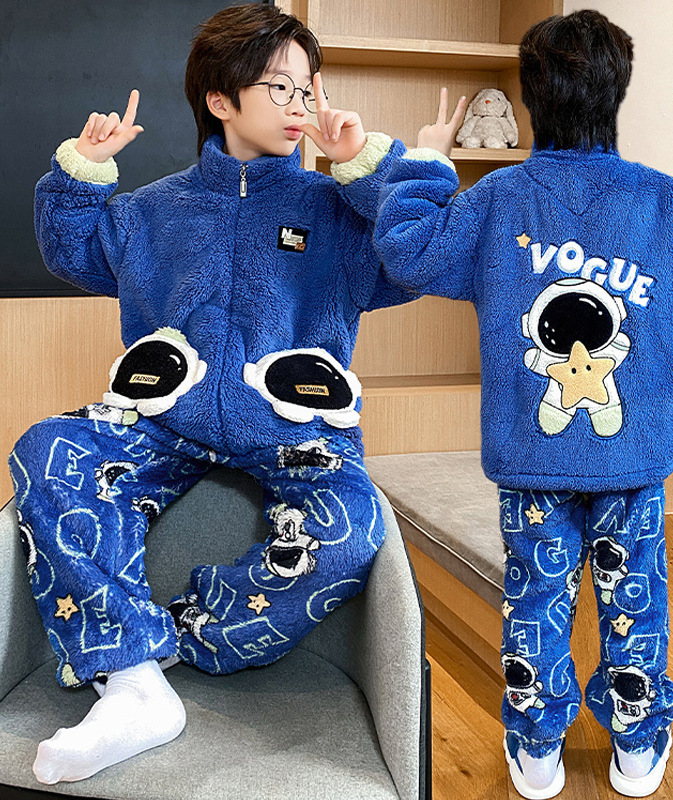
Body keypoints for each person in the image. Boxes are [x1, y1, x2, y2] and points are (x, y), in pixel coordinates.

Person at [374, 10, 673, 798]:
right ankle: (637, 741)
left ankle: (535, 747)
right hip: (630, 459)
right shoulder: (664, 203)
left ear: (530, 98)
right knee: (634, 600)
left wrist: (426, 159)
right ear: (618, 92)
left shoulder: (496, 200)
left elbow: (409, 249)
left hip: (533, 458)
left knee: (535, 598)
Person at [9, 2, 413, 785]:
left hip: (295, 429)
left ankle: (178, 639)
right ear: (221, 100)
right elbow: (75, 254)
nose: (301, 106)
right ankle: (134, 684)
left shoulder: (334, 212)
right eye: (279, 88)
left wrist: (367, 172)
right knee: (45, 448)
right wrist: (82, 173)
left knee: (355, 529)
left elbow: (413, 259)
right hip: (165, 418)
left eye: (308, 89)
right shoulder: (156, 208)